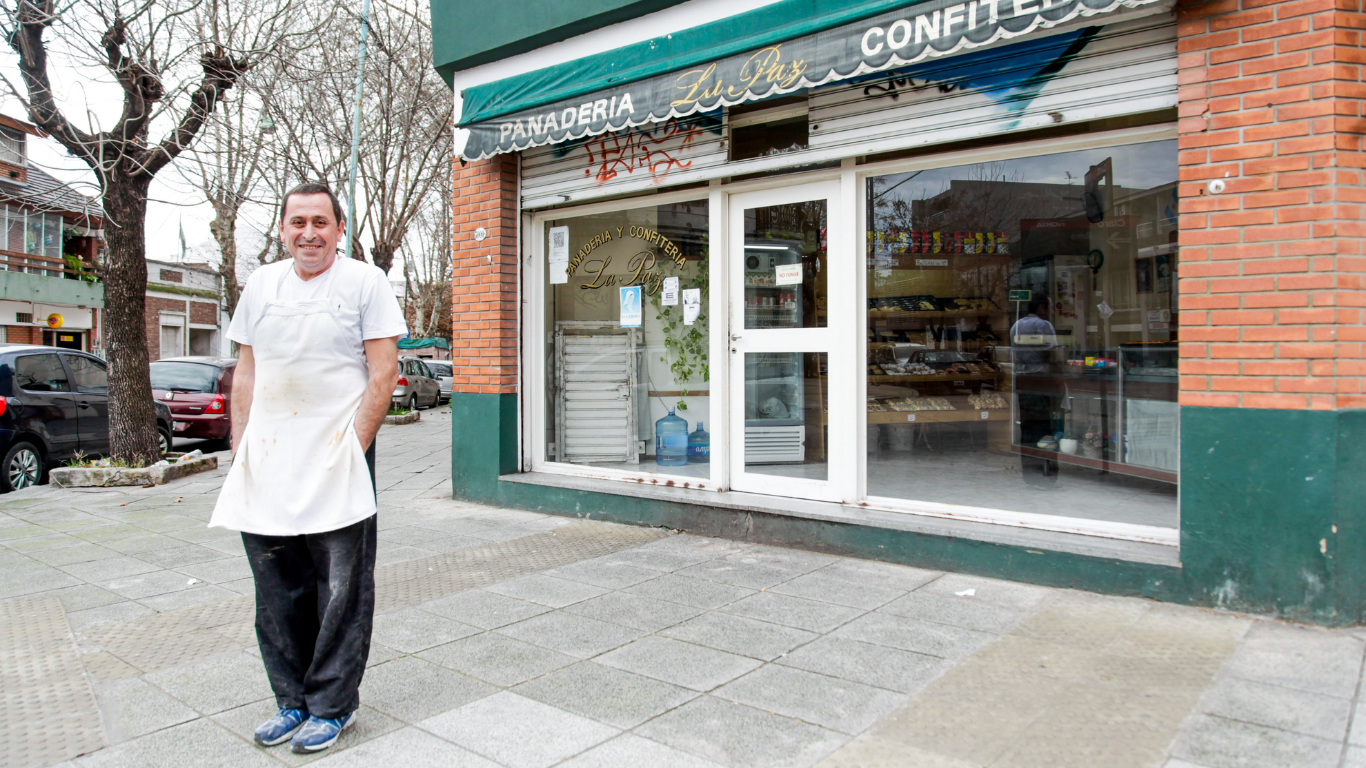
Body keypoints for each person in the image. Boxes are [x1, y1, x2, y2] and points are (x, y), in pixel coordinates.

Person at [209, 182, 406, 754]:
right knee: (276, 590)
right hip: (267, 461)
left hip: (337, 460)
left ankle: (331, 707)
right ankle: (290, 700)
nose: (309, 233)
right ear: (283, 230)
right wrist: (240, 449)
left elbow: (383, 375)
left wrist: (352, 451)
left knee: (341, 592)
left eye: (321, 222)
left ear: (339, 230)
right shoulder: (262, 286)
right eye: (298, 222)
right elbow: (245, 372)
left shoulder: (365, 283)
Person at [1010, 296, 1060, 484]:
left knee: (1027, 426)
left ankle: (1029, 472)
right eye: (1050, 308)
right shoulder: (1043, 325)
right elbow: (1053, 354)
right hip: (1042, 380)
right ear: (1041, 308)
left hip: (1023, 380)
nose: (1052, 312)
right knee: (1045, 427)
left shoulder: (1016, 326)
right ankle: (1046, 472)